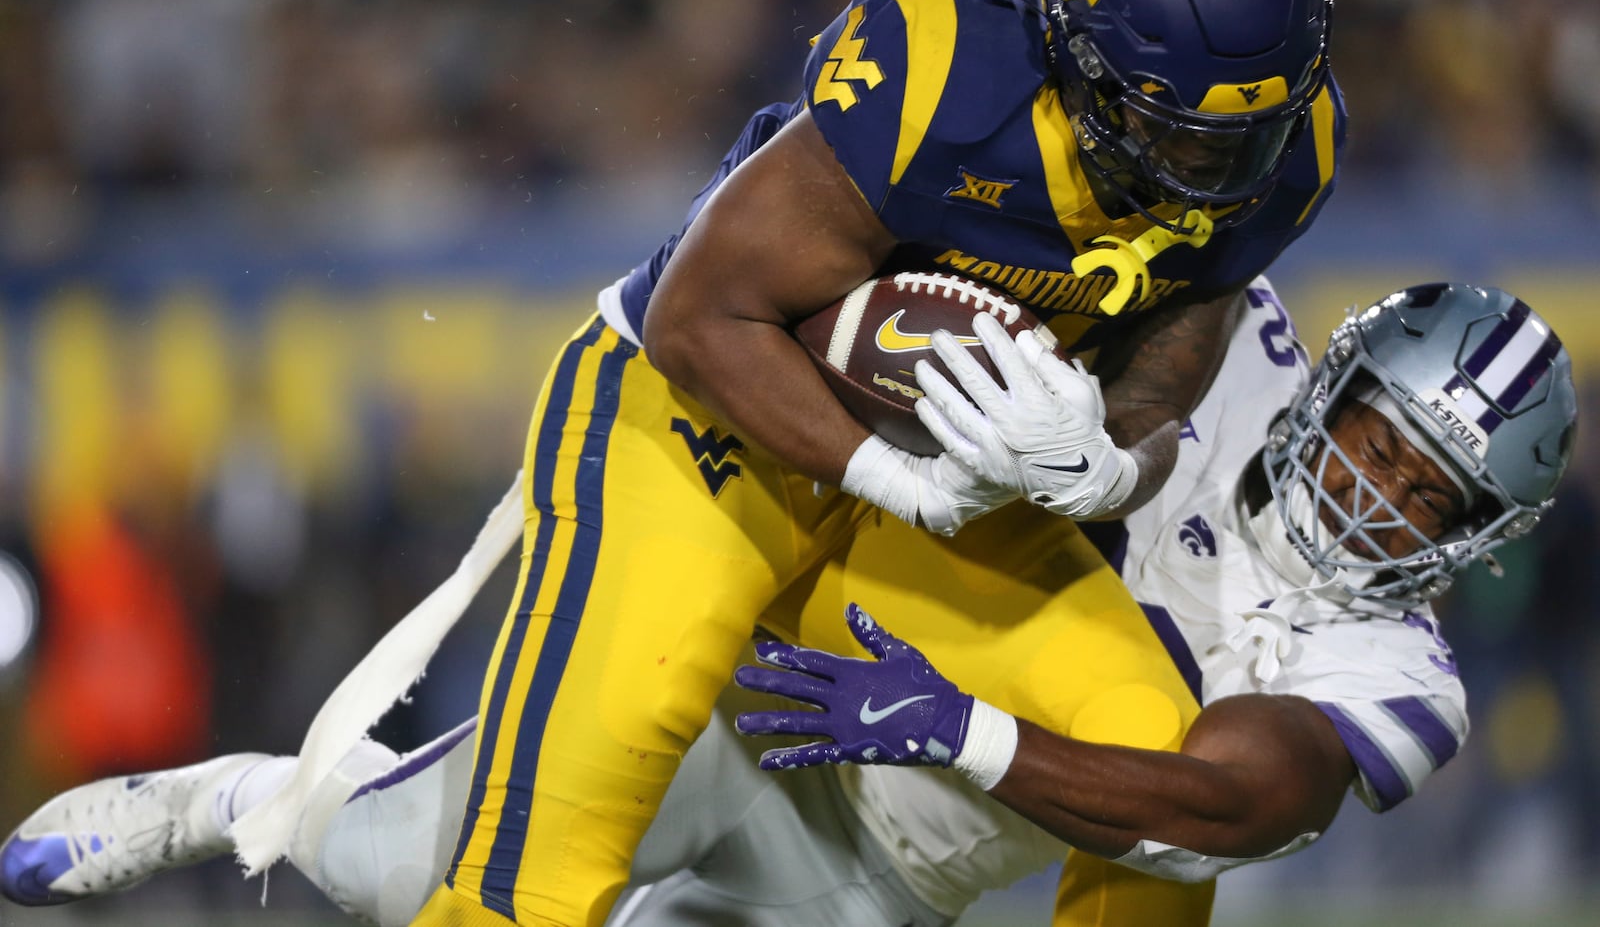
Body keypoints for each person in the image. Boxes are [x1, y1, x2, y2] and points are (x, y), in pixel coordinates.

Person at [3, 0, 1345, 924]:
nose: (1207, 164)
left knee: (1158, 774)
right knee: (502, 886)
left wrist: (1114, 462)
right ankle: (243, 804)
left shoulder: (1281, 142)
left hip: (949, 499)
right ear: (1072, 55)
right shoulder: (942, 71)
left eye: (1241, 127)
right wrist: (902, 481)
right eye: (1172, 125)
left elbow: (1192, 313)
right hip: (704, 432)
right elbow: (707, 317)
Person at [4, 280, 1573, 927]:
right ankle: (234, 796)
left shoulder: (1400, 674)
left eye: (1431, 491)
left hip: (893, 876)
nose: (1379, 492)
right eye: (1380, 438)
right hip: (777, 693)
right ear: (1340, 382)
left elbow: (1230, 805)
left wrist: (963, 734)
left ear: (1479, 536)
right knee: (391, 865)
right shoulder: (1222, 335)